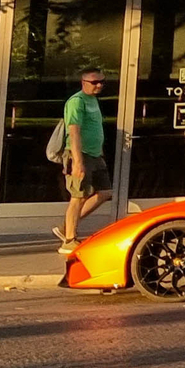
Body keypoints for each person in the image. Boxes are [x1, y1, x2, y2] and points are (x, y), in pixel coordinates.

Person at [55, 68, 111, 256]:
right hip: (80, 154)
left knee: (104, 192)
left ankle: (66, 227)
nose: (99, 85)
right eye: (94, 82)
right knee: (77, 196)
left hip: (95, 154)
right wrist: (77, 161)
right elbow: (74, 131)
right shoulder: (76, 101)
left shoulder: (93, 100)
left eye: (102, 82)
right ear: (83, 82)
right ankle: (69, 240)